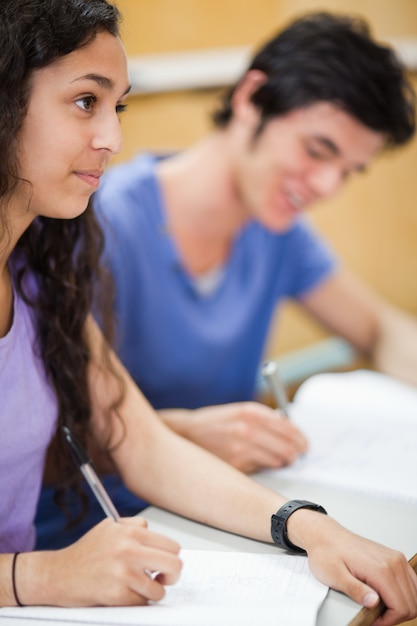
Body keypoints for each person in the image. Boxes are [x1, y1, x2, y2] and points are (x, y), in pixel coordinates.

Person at [2, 2, 417, 621]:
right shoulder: (103, 224)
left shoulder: (41, 262)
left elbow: (138, 440)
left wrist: (309, 527)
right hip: (71, 556)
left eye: (118, 108)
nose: (113, 139)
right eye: (87, 102)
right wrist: (37, 574)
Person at [92, 11, 417, 479]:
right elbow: (48, 435)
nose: (327, 185)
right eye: (318, 150)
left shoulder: (277, 231)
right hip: (107, 523)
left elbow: (381, 330)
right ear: (251, 99)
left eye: (348, 170)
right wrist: (183, 433)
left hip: (221, 506)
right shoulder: (105, 224)